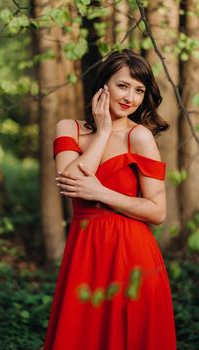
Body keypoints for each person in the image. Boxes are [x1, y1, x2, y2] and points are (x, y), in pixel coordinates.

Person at [43, 49, 177, 350]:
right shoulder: (69, 128)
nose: (131, 97)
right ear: (103, 85)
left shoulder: (139, 137)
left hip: (132, 253)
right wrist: (103, 131)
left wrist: (102, 193)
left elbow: (158, 211)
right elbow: (71, 181)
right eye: (123, 85)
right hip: (84, 250)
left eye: (139, 90)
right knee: (81, 337)